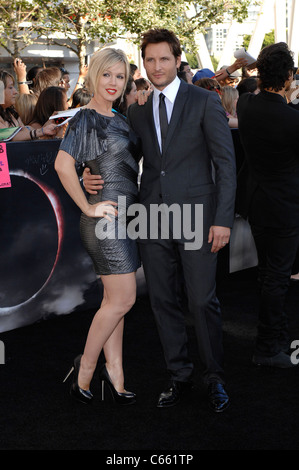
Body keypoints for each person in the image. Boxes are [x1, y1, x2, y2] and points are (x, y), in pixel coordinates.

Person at [83, 29, 236, 412]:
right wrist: (89, 175)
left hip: (198, 217)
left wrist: (222, 220)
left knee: (202, 300)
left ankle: (214, 377)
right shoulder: (135, 108)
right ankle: (179, 375)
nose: (156, 66)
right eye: (149, 60)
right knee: (163, 301)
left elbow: (226, 165)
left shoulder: (204, 101)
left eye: (164, 59)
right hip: (151, 216)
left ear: (177, 60)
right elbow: (119, 157)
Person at [55, 47, 141, 405]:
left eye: (120, 77)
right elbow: (63, 165)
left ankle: (115, 372)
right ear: (94, 76)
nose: (113, 82)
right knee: (124, 299)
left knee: (113, 301)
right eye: (107, 74)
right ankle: (85, 369)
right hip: (105, 220)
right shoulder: (87, 117)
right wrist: (88, 207)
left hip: (126, 217)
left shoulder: (120, 118)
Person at [237, 42, 299, 368]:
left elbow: (248, 89)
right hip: (284, 208)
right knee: (277, 277)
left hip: (256, 204)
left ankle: (274, 335)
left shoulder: (246, 105)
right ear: (288, 77)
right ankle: (267, 347)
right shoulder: (290, 119)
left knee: (267, 274)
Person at [0, 70, 57, 141]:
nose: (15, 92)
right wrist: (41, 131)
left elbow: (27, 135)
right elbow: (8, 137)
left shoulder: (11, 112)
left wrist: (49, 123)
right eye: (10, 87)